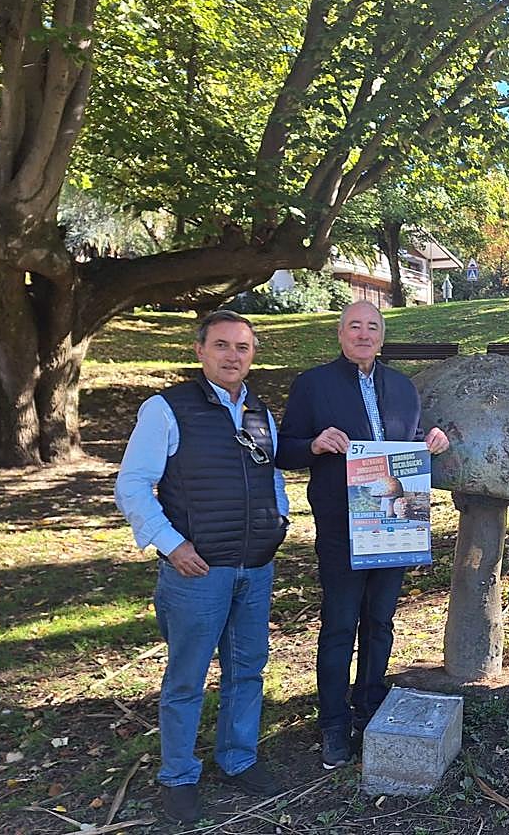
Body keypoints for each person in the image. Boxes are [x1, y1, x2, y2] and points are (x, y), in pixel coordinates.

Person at [115, 311, 288, 824]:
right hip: (197, 572)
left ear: (253, 355)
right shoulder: (166, 409)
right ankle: (178, 776)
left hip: (255, 567)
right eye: (222, 345)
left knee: (247, 670)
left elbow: (271, 476)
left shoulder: (260, 411)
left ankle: (238, 760)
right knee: (187, 678)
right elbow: (131, 485)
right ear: (200, 350)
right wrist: (170, 545)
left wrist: (279, 521)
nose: (233, 356)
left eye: (243, 347)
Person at [276, 301, 449, 768]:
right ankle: (333, 722)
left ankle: (369, 703)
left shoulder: (402, 387)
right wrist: (312, 445)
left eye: (372, 327)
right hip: (340, 527)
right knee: (339, 626)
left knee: (381, 622)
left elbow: (409, 446)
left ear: (382, 335)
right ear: (340, 333)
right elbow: (283, 450)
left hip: (393, 531)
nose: (364, 333)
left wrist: (433, 441)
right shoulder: (313, 385)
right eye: (355, 325)